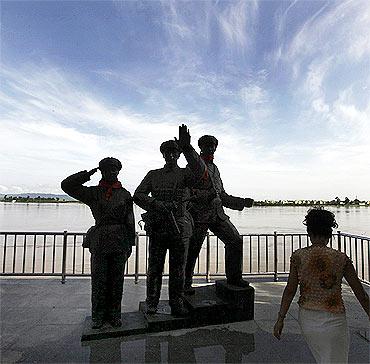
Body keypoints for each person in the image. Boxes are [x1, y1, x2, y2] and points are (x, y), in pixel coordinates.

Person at [273, 208, 369, 363]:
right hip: (335, 319)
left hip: (308, 318)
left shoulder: (299, 257)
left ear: (309, 232)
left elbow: (290, 290)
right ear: (329, 233)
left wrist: (280, 319)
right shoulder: (341, 259)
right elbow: (361, 295)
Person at [134, 125, 206, 317]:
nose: (171, 155)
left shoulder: (186, 174)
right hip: (158, 226)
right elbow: (138, 195)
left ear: (179, 154)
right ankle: (152, 303)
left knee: (178, 270)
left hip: (181, 228)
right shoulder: (153, 174)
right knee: (155, 268)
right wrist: (156, 204)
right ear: (163, 154)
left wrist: (188, 147)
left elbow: (201, 173)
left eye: (174, 152)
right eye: (167, 152)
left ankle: (177, 303)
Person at [61, 158, 135, 329]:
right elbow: (67, 185)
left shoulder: (124, 194)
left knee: (117, 282)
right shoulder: (93, 192)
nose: (112, 172)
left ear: (118, 171)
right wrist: (87, 174)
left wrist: (130, 243)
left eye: (115, 170)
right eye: (108, 170)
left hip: (119, 241)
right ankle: (98, 316)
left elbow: (130, 220)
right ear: (102, 172)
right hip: (100, 240)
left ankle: (115, 315)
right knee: (99, 281)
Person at [184, 135, 254, 294]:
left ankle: (234, 277)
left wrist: (241, 202)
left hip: (217, 215)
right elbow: (188, 193)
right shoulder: (193, 166)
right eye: (207, 145)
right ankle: (185, 283)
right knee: (192, 250)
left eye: (213, 145)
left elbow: (221, 194)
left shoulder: (215, 169)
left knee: (235, 241)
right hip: (199, 216)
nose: (211, 148)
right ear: (201, 147)